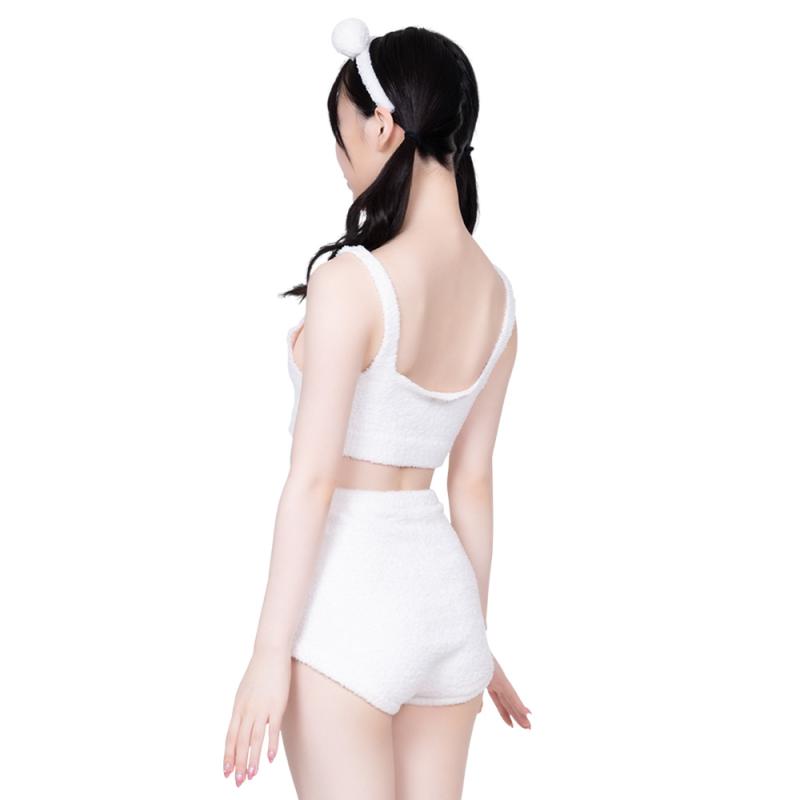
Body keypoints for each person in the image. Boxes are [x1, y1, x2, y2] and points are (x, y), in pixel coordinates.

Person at [223, 18, 531, 799]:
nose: (342, 163)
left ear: (383, 127)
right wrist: (472, 638)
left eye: (341, 139)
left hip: (349, 605)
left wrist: (267, 655)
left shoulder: (353, 284)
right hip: (445, 605)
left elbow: (312, 482)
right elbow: (472, 485)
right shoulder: (500, 299)